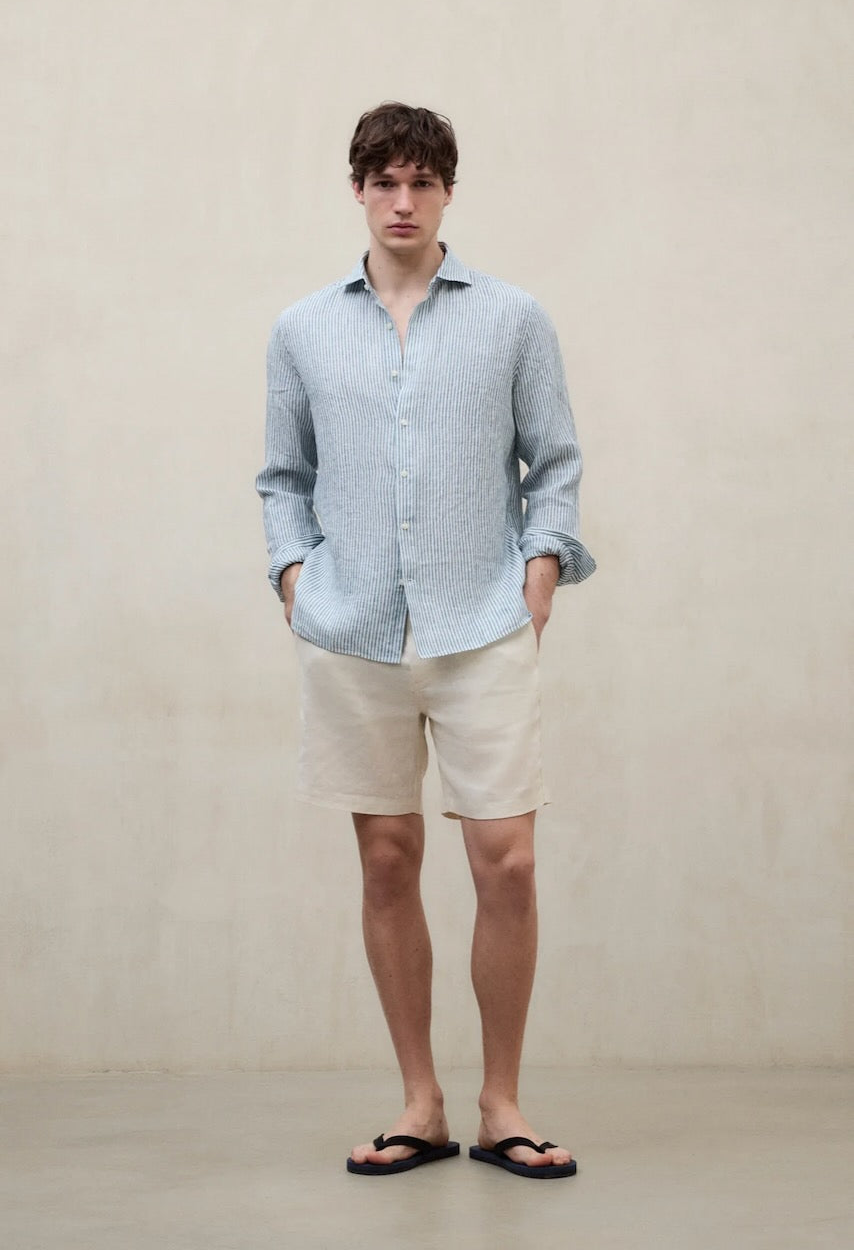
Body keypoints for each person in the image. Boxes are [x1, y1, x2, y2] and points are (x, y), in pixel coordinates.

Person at [256, 102, 595, 1179]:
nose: (402, 202)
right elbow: (282, 476)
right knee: (388, 857)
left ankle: (502, 1102)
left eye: (421, 183)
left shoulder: (512, 319)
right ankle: (420, 1100)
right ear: (357, 190)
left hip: (481, 619)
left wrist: (539, 573)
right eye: (383, 182)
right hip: (352, 628)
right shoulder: (303, 328)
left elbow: (554, 460)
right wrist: (295, 576)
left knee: (508, 861)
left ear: (448, 191)